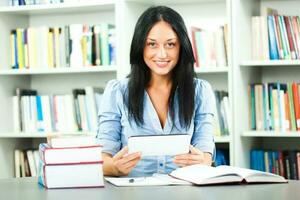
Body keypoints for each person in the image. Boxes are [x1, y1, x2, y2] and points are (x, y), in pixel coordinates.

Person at [97, 6, 215, 177]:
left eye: (170, 44)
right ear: (140, 46)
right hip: (132, 192)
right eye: (152, 44)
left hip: (184, 191)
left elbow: (205, 152)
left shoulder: (200, 91)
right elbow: (103, 157)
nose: (162, 54)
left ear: (181, 46)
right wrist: (114, 167)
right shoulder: (117, 92)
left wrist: (202, 161)